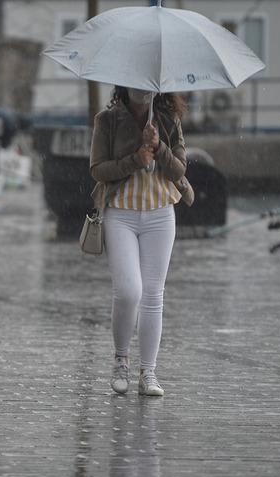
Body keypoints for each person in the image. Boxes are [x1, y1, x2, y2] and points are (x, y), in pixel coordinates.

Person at [89, 86, 194, 396]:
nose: (142, 91)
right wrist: (136, 158)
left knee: (152, 295)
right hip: (120, 213)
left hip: (161, 214)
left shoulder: (168, 118)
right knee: (127, 291)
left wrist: (159, 146)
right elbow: (98, 170)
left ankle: (148, 371)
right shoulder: (106, 120)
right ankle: (121, 359)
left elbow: (179, 169)